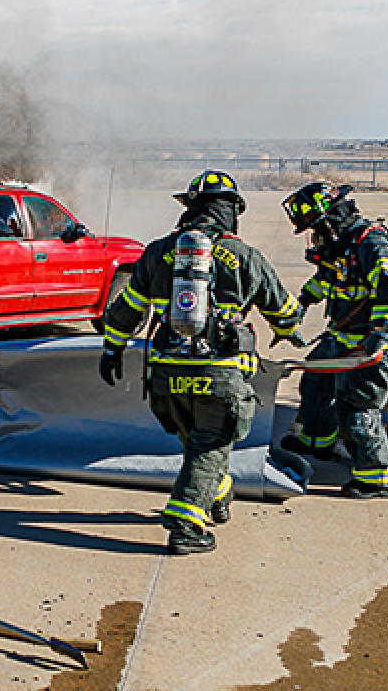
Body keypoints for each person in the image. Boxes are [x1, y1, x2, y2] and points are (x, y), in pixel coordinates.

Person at [99, 171, 304, 556]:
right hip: (218, 375)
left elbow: (126, 309)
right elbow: (284, 312)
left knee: (198, 443)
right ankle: (186, 525)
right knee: (210, 444)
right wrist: (292, 332)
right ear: (232, 211)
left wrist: (112, 349)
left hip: (165, 377)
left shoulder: (158, 252)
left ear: (190, 208)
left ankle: (217, 496)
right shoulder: (245, 256)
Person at [279, 182, 388, 499]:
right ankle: (317, 442)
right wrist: (302, 304)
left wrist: (381, 332)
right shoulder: (343, 245)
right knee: (315, 378)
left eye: (316, 228)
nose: (315, 236)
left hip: (376, 344)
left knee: (357, 408)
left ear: (329, 220)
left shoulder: (372, 245)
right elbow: (328, 278)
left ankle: (377, 478)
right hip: (345, 337)